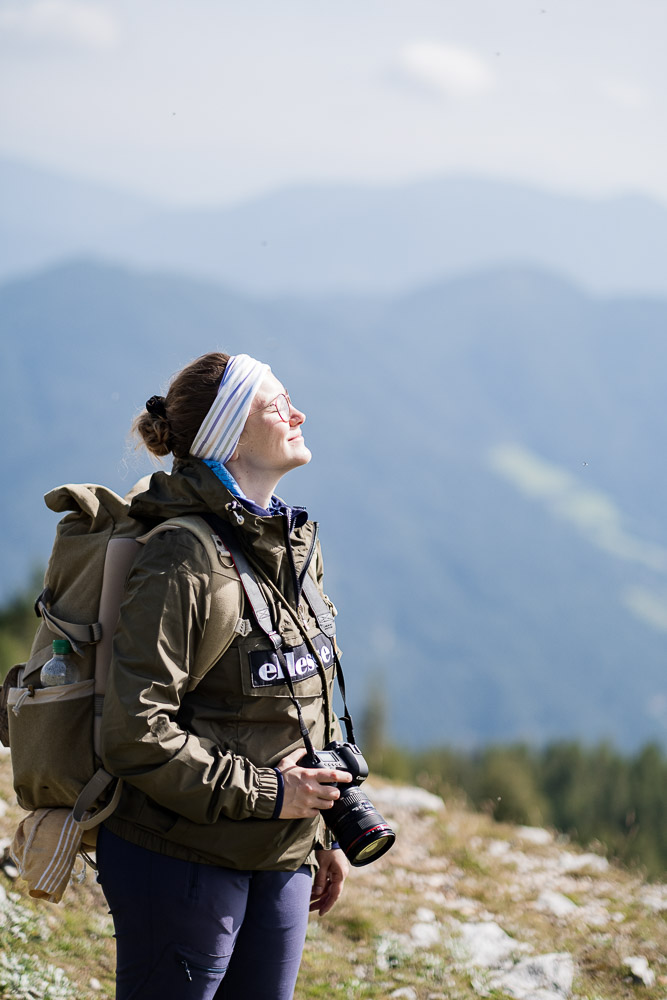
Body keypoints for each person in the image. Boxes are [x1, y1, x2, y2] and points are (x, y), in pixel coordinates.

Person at [97, 351, 352, 1000]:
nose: (298, 414)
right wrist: (273, 793)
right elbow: (134, 732)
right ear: (230, 432)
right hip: (181, 856)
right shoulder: (182, 554)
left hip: (284, 852)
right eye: (275, 406)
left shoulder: (290, 543)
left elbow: (302, 706)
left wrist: (322, 826)